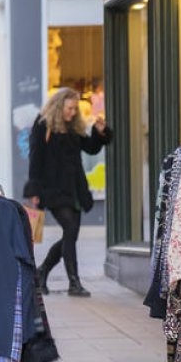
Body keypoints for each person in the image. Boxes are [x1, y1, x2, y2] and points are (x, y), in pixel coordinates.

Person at [24, 87, 112, 298]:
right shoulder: (42, 125)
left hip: (74, 189)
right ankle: (74, 283)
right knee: (70, 230)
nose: (73, 112)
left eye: (75, 109)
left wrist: (100, 133)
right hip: (52, 189)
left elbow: (90, 148)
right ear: (59, 104)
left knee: (70, 235)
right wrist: (34, 190)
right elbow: (35, 159)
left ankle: (42, 271)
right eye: (70, 108)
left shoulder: (73, 126)